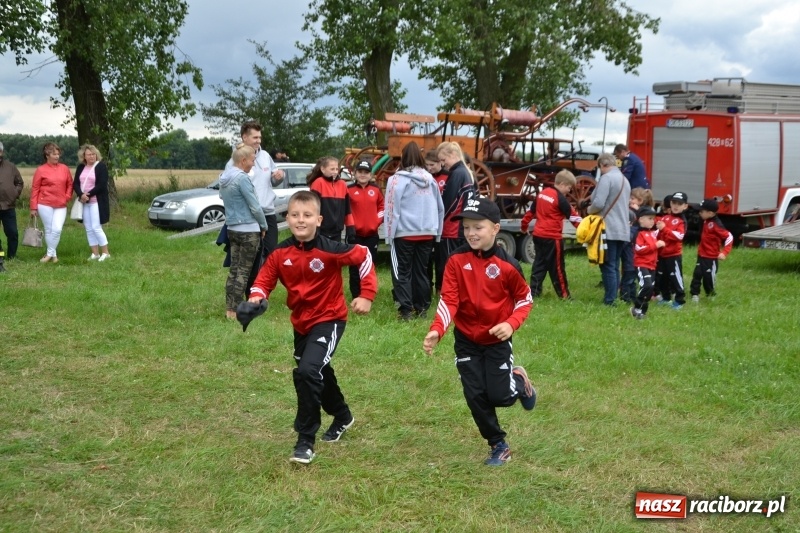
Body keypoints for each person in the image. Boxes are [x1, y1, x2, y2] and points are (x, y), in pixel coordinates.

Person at [247, 190, 377, 465]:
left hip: (329, 319)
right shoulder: (280, 253)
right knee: (317, 371)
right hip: (301, 323)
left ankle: (305, 440)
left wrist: (366, 294)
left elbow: (364, 255)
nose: (300, 220)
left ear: (318, 220)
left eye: (307, 215)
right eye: (295, 215)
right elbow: (263, 281)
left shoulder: (331, 249)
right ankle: (342, 415)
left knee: (307, 371)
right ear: (287, 218)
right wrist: (255, 299)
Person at [422, 197, 536, 467]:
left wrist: (510, 323)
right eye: (467, 228)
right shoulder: (456, 261)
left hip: (496, 341)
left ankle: (519, 381)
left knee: (500, 396)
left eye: (478, 227)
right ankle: (498, 444)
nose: (471, 233)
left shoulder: (508, 266)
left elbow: (525, 299)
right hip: (466, 342)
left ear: (495, 229)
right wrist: (438, 329)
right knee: (475, 396)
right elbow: (449, 299)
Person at [384, 142, 444, 320]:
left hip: (404, 232)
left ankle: (405, 310)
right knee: (421, 271)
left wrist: (389, 235)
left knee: (401, 271)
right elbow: (440, 207)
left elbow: (391, 208)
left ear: (403, 157)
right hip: (427, 231)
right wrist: (437, 231)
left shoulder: (396, 180)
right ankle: (422, 308)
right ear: (420, 157)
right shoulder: (431, 179)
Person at [224, 121, 285, 285]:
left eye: (260, 137)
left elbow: (272, 180)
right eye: (255, 137)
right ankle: (250, 292)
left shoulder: (265, 156)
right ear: (244, 137)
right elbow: (227, 188)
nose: (259, 140)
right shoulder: (234, 162)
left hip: (268, 212)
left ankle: (261, 287)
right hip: (249, 217)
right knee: (250, 258)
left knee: (271, 252)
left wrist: (278, 177)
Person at [220, 144, 267, 320]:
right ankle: (237, 309)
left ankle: (230, 310)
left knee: (234, 270)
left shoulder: (225, 177)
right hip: (248, 229)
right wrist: (263, 225)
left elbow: (222, 198)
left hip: (232, 228)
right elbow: (254, 206)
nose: (254, 164)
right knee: (243, 271)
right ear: (243, 160)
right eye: (253, 160)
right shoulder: (242, 179)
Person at [520, 170, 582, 299]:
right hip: (553, 238)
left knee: (539, 265)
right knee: (558, 268)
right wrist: (586, 232)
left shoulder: (542, 194)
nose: (569, 191)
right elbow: (574, 219)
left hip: (538, 235)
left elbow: (529, 213)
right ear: (563, 184)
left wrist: (524, 226)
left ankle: (534, 292)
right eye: (569, 188)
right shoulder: (560, 199)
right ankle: (564, 296)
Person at [587, 153, 631, 305]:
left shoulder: (607, 178)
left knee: (607, 265)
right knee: (615, 265)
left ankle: (610, 300)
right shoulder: (625, 180)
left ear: (602, 165)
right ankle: (613, 297)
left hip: (609, 228)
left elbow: (598, 203)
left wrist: (588, 211)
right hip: (623, 229)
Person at [435, 141, 476, 289]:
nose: (442, 164)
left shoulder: (457, 173)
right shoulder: (466, 172)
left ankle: (444, 292)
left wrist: (438, 221)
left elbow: (449, 202)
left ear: (452, 155)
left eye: (443, 160)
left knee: (446, 264)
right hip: (461, 227)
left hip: (451, 228)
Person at [30, 142, 73, 263]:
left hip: (61, 204)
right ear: (47, 155)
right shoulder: (40, 170)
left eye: (58, 154)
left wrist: (67, 197)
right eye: (54, 154)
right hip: (44, 204)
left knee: (57, 229)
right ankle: (53, 256)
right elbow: (35, 189)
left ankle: (48, 254)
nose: (57, 156)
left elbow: (70, 184)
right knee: (49, 229)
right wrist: (33, 207)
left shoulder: (64, 168)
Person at [346, 160, 384, 298]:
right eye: (360, 172)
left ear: (370, 174)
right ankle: (356, 295)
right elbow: (345, 210)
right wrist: (350, 224)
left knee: (369, 265)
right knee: (354, 266)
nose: (363, 175)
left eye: (366, 172)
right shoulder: (348, 190)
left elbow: (382, 207)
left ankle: (367, 294)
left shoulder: (376, 190)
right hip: (354, 234)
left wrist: (376, 221)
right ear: (355, 173)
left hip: (372, 234)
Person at [73, 144, 111, 261]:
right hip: (85, 202)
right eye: (89, 154)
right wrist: (81, 195)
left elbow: (101, 185)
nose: (91, 156)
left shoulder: (101, 167)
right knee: (88, 228)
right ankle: (95, 253)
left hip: (96, 202)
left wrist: (87, 195)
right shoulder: (81, 167)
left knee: (96, 227)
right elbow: (76, 183)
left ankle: (106, 252)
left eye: (93, 154)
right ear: (84, 156)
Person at [689, 199, 733, 303]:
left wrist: (724, 252)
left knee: (708, 277)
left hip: (711, 257)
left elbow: (729, 237)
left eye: (701, 211)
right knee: (697, 274)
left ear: (710, 213)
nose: (699, 213)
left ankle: (710, 294)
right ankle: (694, 294)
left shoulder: (716, 224)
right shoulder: (705, 220)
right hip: (701, 255)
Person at [307, 156, 355, 242]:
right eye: (332, 169)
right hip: (321, 231)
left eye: (337, 169)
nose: (335, 172)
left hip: (337, 231)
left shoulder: (342, 184)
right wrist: (315, 228)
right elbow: (312, 209)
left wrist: (350, 227)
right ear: (323, 169)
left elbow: (347, 210)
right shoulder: (318, 183)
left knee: (335, 255)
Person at [655, 191, 688, 309]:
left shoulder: (682, 221)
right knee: (663, 277)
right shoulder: (666, 217)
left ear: (685, 206)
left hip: (673, 255)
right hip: (662, 254)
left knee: (675, 277)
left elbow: (679, 236)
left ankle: (680, 300)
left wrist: (665, 229)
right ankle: (666, 298)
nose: (676, 206)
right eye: (674, 202)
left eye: (679, 203)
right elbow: (658, 233)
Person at [630, 206, 664, 319]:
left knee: (650, 290)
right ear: (641, 219)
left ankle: (642, 312)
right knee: (646, 285)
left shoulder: (651, 233)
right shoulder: (639, 234)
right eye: (649, 218)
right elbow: (639, 249)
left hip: (652, 265)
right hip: (641, 265)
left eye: (653, 219)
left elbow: (659, 233)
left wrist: (662, 229)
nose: (652, 221)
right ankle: (636, 306)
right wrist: (655, 245)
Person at [621, 187, 654, 302]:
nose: (630, 200)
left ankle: (628, 296)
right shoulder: (640, 215)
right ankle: (629, 297)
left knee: (630, 276)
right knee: (630, 276)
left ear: (640, 201)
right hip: (634, 255)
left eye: (632, 198)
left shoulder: (638, 217)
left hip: (634, 254)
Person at [425, 150, 449, 294]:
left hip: (443, 225)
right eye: (427, 165)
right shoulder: (425, 177)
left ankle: (440, 289)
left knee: (442, 261)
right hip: (428, 224)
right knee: (426, 260)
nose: (429, 168)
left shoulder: (448, 177)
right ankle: (426, 287)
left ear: (441, 162)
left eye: (432, 164)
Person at [0, 140, 24, 269]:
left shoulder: (11, 167)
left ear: (1, 152)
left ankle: (12, 256)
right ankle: (0, 256)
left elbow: (19, 183)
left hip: (8, 206)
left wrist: (14, 194)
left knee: (13, 233)